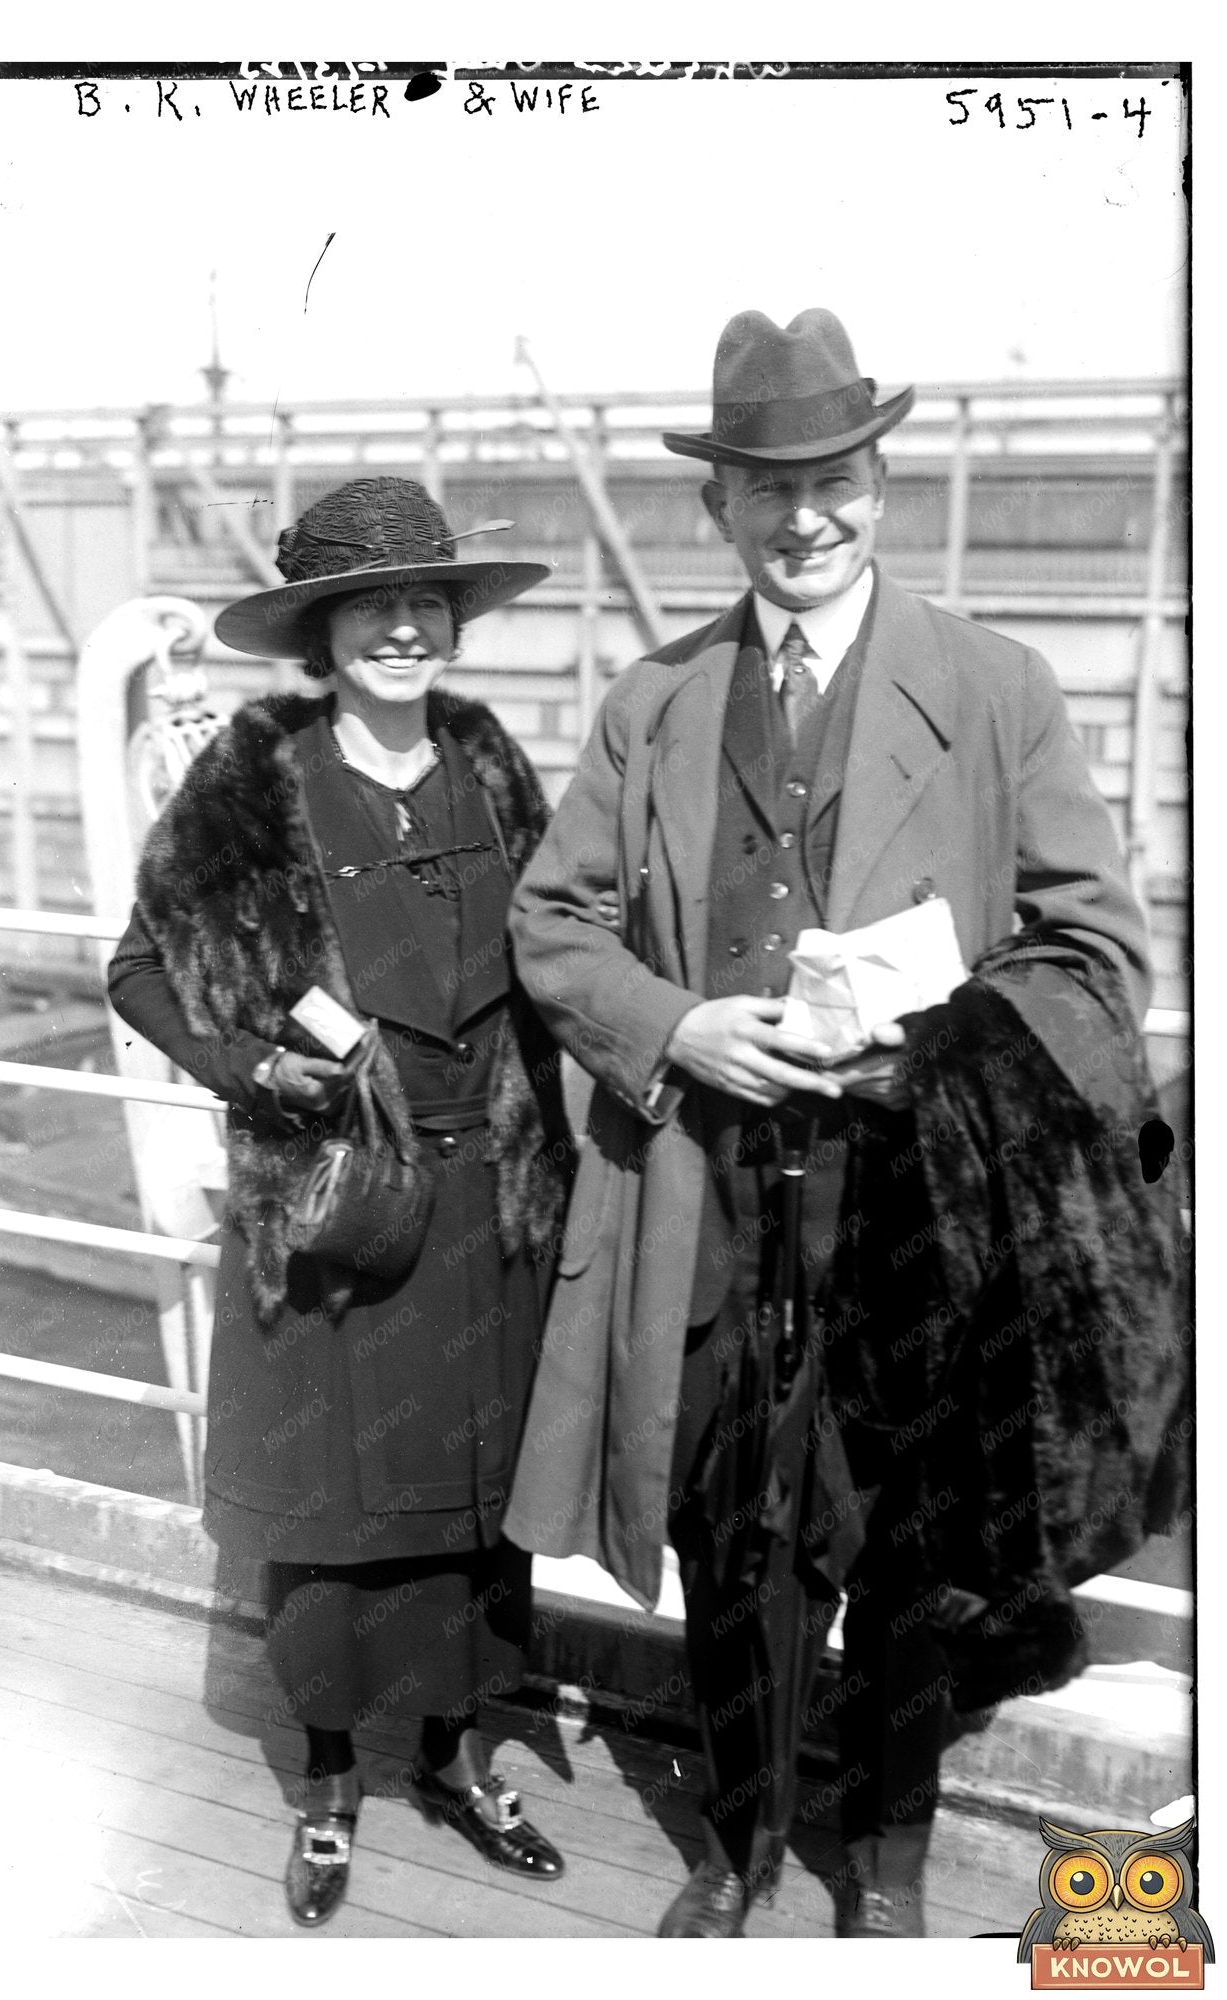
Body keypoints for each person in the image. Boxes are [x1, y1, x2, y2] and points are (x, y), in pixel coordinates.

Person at [501, 310, 1185, 1937]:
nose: (801, 517)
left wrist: (936, 1047)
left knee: (914, 1556)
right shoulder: (651, 703)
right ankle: (734, 1854)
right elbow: (553, 926)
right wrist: (681, 1029)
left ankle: (880, 1870)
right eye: (764, 487)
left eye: (831, 480)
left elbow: (1098, 952)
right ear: (717, 506)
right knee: (734, 1539)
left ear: (877, 485)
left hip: (922, 1210)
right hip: (710, 1199)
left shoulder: (993, 688)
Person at [107, 476, 573, 1928]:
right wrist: (255, 1069)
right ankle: (323, 1789)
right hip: (331, 1204)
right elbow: (138, 968)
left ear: (452, 618)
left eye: (424, 600)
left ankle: (449, 1757)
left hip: (484, 1203)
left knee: (462, 1516)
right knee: (326, 1513)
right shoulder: (255, 775)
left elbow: (562, 954)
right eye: (368, 604)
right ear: (320, 631)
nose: (401, 626)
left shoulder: (489, 761)